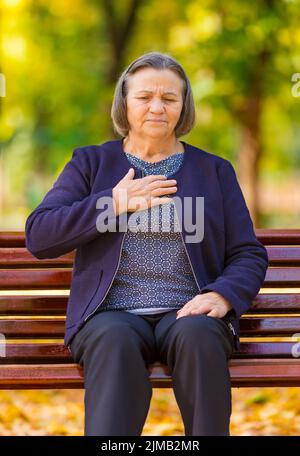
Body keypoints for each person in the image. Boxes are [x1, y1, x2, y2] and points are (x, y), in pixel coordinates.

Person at [25, 51, 269, 436]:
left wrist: (223, 295)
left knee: (200, 334)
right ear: (125, 102)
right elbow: (40, 235)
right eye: (144, 97)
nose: (157, 107)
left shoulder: (214, 170)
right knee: (114, 340)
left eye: (169, 99)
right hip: (110, 314)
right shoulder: (91, 164)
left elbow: (247, 252)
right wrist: (112, 203)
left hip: (187, 310)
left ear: (183, 106)